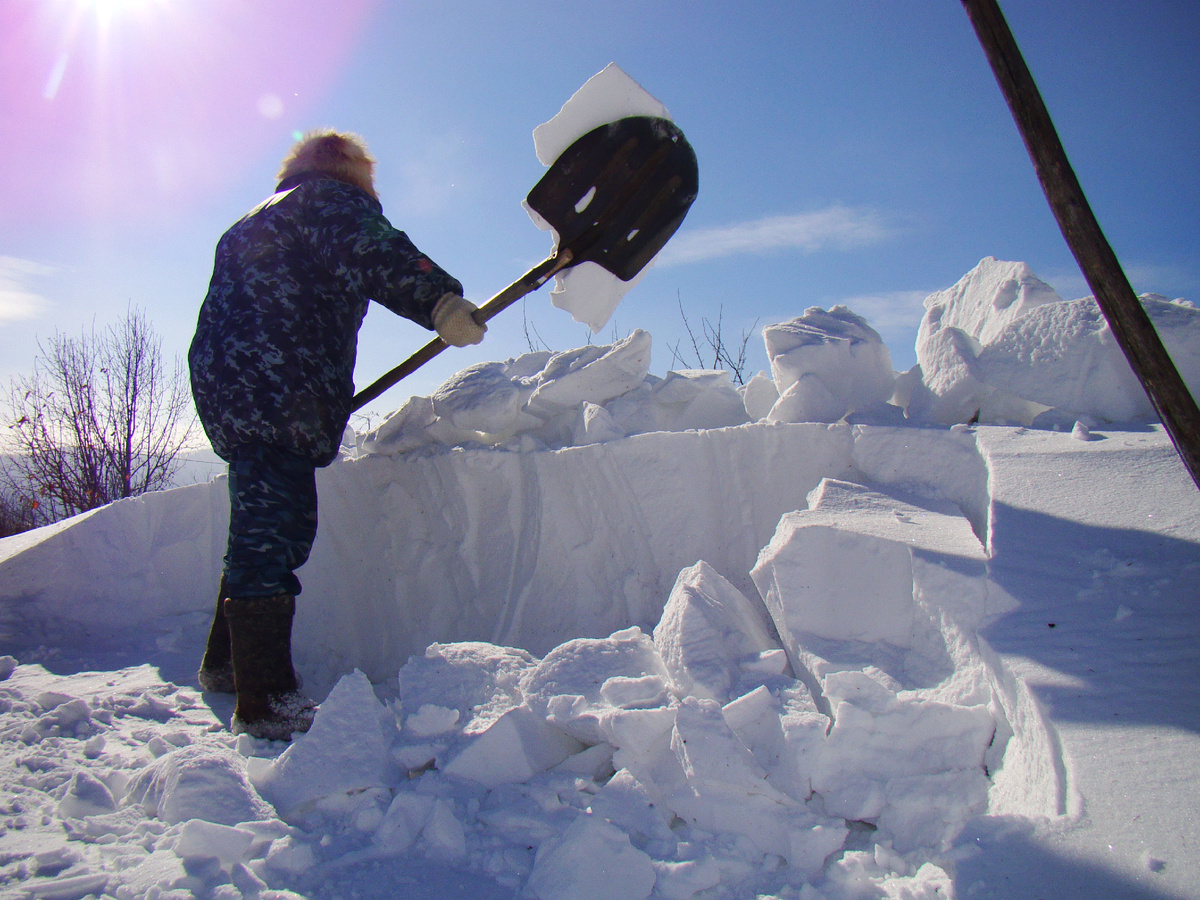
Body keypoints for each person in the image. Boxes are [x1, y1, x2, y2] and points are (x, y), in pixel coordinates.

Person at [189, 129, 485, 740]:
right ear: (349, 170)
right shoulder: (326, 201)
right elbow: (375, 251)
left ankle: (224, 665)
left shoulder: (254, 220)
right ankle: (265, 699)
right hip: (278, 386)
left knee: (259, 520)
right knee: (275, 531)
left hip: (234, 386)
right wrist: (440, 302)